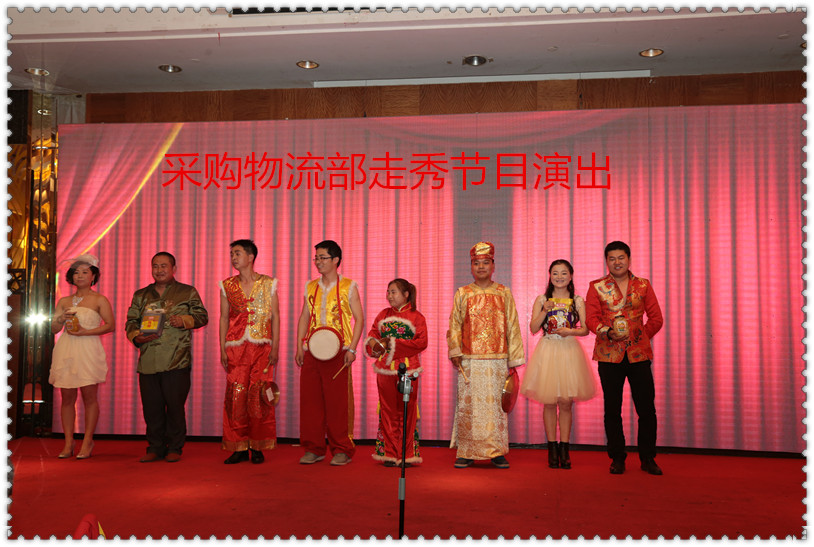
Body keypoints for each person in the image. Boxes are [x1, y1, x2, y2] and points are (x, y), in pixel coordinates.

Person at [586, 241, 664, 476]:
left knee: (646, 409)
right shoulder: (597, 286)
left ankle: (648, 458)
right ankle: (617, 458)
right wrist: (607, 332)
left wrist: (641, 336)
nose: (617, 262)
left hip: (638, 355)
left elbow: (656, 318)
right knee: (612, 409)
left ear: (629, 259)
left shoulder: (643, 285)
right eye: (612, 258)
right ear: (606, 261)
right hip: (609, 355)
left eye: (621, 257)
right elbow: (591, 318)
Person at [447, 241, 525, 469]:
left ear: (493, 265)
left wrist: (513, 359)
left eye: (485, 262)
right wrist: (455, 350)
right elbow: (455, 324)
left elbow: (512, 325)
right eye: (476, 263)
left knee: (495, 408)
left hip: (497, 359)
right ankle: (467, 451)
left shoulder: (503, 292)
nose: (481, 267)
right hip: (470, 360)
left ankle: (497, 451)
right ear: (471, 267)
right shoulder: (463, 293)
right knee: (469, 407)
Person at [126, 252, 209, 463]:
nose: (159, 270)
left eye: (164, 266)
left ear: (174, 269)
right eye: (155, 266)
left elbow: (202, 316)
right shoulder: (141, 295)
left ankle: (174, 447)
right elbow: (131, 322)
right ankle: (154, 447)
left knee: (174, 407)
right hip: (148, 360)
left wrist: (185, 320)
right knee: (151, 408)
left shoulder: (187, 292)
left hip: (177, 359)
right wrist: (137, 337)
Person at [520, 259, 597, 469]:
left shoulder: (577, 300)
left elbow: (585, 329)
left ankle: (565, 448)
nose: (559, 277)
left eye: (564, 273)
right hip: (548, 350)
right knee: (549, 402)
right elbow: (533, 328)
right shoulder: (542, 299)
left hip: (569, 351)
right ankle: (552, 448)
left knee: (565, 402)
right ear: (550, 275)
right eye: (555, 273)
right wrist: (545, 310)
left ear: (570, 276)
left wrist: (570, 331)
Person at [294, 240, 364, 466]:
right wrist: (299, 345)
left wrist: (352, 348)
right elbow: (304, 317)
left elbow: (360, 319)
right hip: (312, 351)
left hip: (338, 352)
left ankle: (342, 449)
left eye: (322, 258)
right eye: (316, 258)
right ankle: (313, 448)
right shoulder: (310, 286)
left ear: (336, 260)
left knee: (337, 404)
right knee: (310, 402)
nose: (318, 262)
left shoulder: (348, 286)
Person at [219, 239, 280, 464]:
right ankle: (239, 446)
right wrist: (222, 348)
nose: (234, 258)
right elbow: (224, 318)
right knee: (236, 396)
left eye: (237, 253)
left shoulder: (268, 283)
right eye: (232, 254)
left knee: (259, 395)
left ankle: (258, 445)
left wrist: (275, 346)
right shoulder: (227, 285)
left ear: (250, 257)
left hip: (262, 348)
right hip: (236, 348)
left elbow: (275, 316)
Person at [49, 254, 115, 459]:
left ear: (93, 276)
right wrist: (60, 318)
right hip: (66, 349)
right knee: (67, 398)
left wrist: (86, 332)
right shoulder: (64, 301)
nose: (80, 276)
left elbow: (110, 325)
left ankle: (87, 441)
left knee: (89, 397)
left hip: (88, 348)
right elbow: (54, 328)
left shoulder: (99, 299)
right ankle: (68, 442)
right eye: (76, 272)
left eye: (85, 272)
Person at [364, 278, 428, 467]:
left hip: (408, 369)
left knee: (407, 411)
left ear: (406, 294)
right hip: (385, 370)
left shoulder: (417, 317)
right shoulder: (383, 314)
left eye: (393, 292)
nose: (389, 296)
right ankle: (390, 453)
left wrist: (392, 344)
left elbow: (421, 343)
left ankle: (406, 454)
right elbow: (372, 336)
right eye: (388, 292)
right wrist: (373, 344)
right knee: (387, 411)